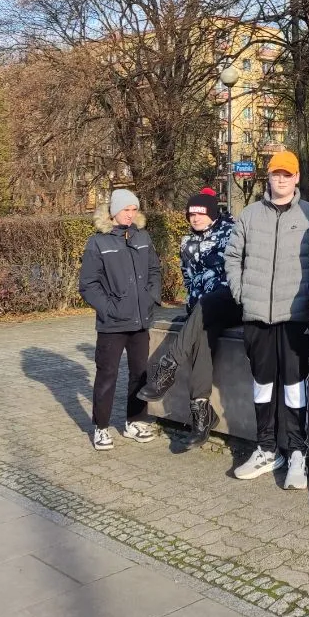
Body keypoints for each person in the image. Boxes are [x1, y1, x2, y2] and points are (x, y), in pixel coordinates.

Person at [224, 151, 309, 490]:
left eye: (287, 174)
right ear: (268, 177)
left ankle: (297, 453)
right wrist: (241, 293)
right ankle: (267, 449)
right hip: (257, 317)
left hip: (294, 317)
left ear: (297, 178)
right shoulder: (250, 215)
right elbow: (233, 256)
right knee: (262, 385)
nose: (281, 179)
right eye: (276, 174)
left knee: (295, 388)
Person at [137, 187, 240, 449]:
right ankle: (202, 415)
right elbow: (188, 277)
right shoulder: (187, 242)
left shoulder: (231, 232)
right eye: (192, 214)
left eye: (201, 213)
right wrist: (192, 307)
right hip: (204, 310)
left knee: (207, 304)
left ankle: (168, 367)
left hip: (230, 302)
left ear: (212, 214)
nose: (195, 218)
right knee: (201, 336)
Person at [79, 189, 161, 450]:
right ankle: (101, 428)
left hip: (140, 320)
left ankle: (135, 422)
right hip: (112, 324)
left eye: (134, 209)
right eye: (126, 209)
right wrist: (109, 308)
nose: (130, 214)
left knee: (140, 373)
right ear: (114, 211)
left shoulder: (143, 237)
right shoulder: (98, 242)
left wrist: (150, 298)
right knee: (107, 375)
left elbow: (154, 270)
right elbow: (88, 285)